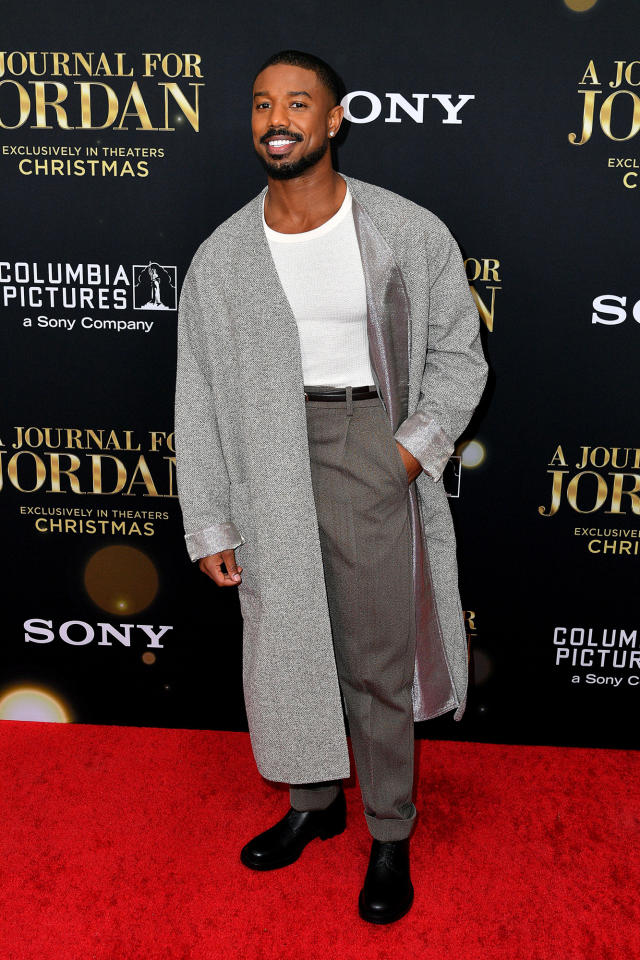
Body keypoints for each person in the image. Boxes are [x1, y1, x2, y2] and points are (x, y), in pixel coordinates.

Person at [174, 49, 488, 925]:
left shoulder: (404, 230)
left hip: (367, 442)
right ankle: (314, 804)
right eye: (264, 103)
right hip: (263, 452)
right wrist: (209, 518)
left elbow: (461, 357)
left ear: (334, 119)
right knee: (285, 645)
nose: (279, 118)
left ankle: (390, 830)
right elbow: (195, 394)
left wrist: (408, 454)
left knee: (378, 653)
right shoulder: (224, 255)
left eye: (299, 102)